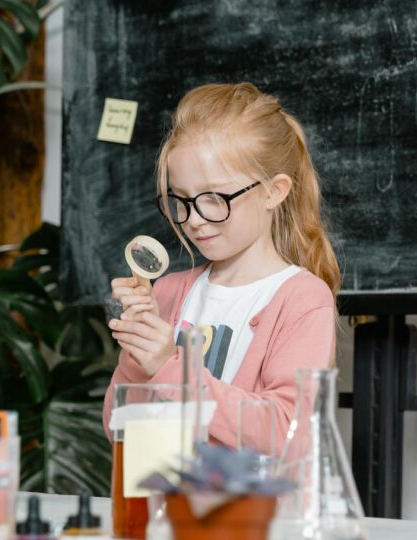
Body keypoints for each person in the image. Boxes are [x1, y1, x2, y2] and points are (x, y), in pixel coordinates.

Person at [102, 83, 340, 456]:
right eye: (180, 200)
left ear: (274, 191)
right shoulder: (166, 293)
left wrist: (169, 367)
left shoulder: (302, 300)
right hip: (165, 509)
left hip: (249, 513)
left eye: (215, 198)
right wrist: (136, 356)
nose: (194, 220)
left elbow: (287, 434)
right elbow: (122, 435)